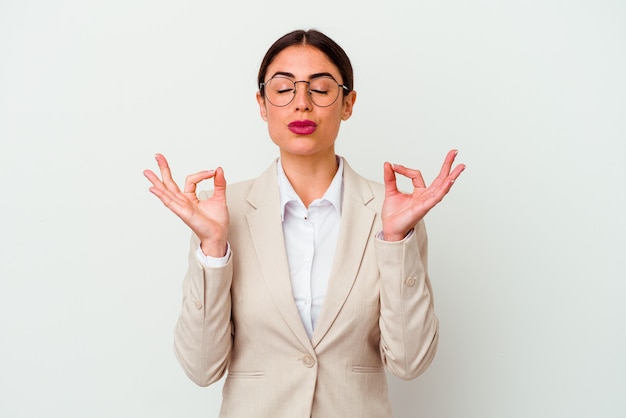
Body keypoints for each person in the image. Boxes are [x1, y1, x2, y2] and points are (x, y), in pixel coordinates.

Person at [144, 29, 465, 418]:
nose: (302, 104)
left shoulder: (392, 214)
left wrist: (396, 242)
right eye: (283, 90)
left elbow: (410, 363)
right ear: (262, 105)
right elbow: (201, 367)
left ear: (348, 103)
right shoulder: (222, 212)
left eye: (321, 89)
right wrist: (213, 248)